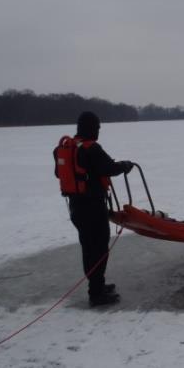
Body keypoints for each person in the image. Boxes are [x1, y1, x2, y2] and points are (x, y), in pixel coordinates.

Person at [57, 111, 133, 307]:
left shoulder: (68, 147)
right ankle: (96, 293)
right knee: (98, 249)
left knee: (89, 247)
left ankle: (97, 285)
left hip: (76, 207)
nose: (98, 130)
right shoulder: (92, 149)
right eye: (97, 127)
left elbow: (59, 173)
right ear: (92, 128)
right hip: (92, 207)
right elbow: (109, 168)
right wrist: (125, 165)